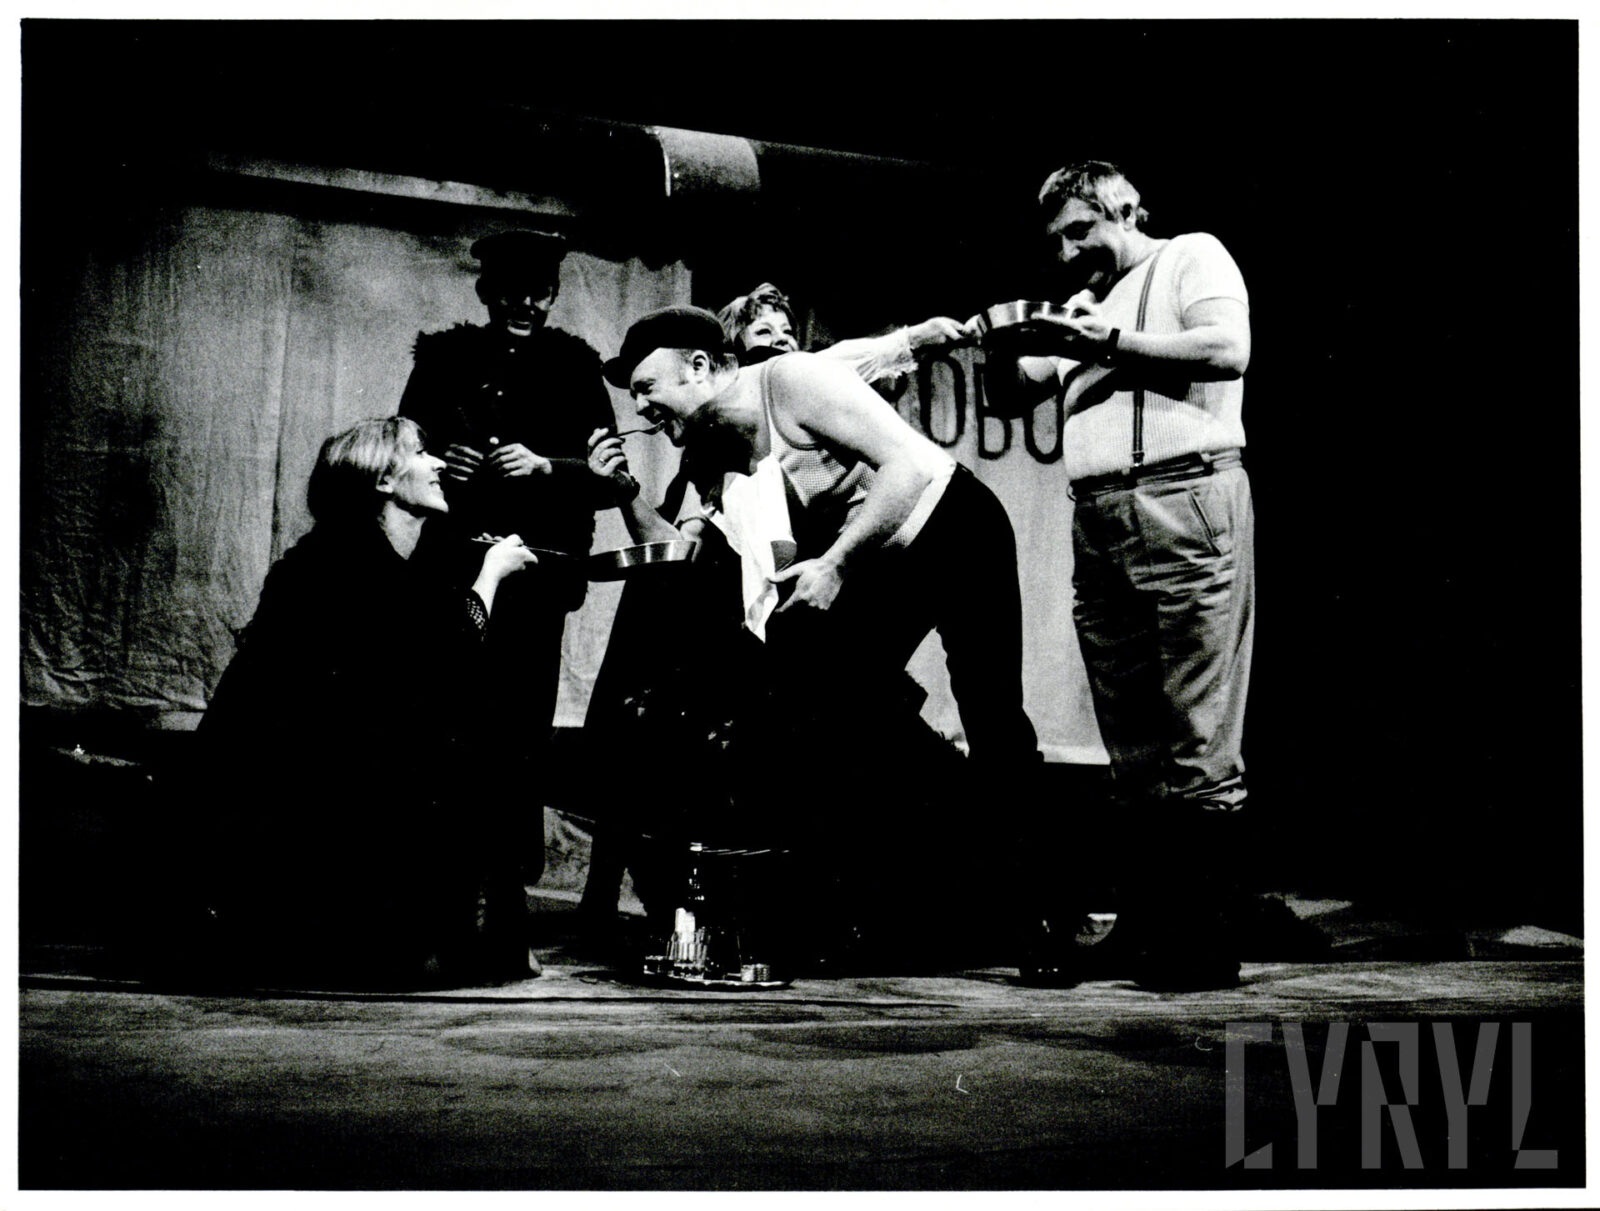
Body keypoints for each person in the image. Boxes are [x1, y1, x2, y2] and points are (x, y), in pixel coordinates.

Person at [983, 160, 1254, 989]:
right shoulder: (1084, 305)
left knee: (1195, 729)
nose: (1070, 252)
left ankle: (1203, 938)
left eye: (1082, 231)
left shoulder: (1190, 256)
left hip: (1183, 497)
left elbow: (1227, 348)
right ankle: (1145, 928)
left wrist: (1102, 343)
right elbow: (1012, 395)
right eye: (1058, 241)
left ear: (1126, 208)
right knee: (1130, 739)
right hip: (1099, 515)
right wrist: (1004, 339)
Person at [195, 417, 540, 986]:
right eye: (421, 452)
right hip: (305, 789)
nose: (437, 463)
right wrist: (493, 574)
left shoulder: (372, 557)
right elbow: (446, 651)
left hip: (343, 771)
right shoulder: (335, 562)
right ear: (383, 480)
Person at [396, 229, 631, 756]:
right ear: (485, 292)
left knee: (519, 731)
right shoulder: (441, 361)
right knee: (441, 716)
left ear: (554, 295)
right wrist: (442, 459)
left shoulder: (577, 368)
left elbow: (612, 480)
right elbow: (397, 454)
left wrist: (547, 467)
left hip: (538, 576)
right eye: (510, 292)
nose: (526, 305)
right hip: (451, 568)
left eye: (540, 293)